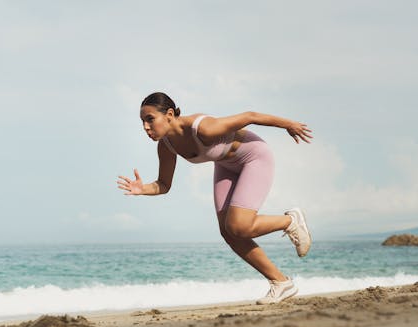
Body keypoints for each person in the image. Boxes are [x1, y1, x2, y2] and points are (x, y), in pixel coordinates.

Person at [117, 92, 313, 304]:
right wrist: (142, 189)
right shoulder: (166, 146)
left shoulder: (203, 128)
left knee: (239, 226)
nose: (145, 127)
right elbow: (164, 185)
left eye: (150, 119)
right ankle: (281, 283)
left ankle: (291, 221)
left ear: (170, 114)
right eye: (142, 122)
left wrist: (289, 124)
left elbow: (250, 116)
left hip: (254, 157)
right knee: (228, 232)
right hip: (225, 164)